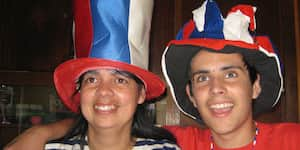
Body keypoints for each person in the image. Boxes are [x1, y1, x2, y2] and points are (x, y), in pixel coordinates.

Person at [4, 0, 300, 150]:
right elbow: (110, 123)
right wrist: (40, 133)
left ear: (255, 85)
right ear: (190, 96)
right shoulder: (178, 143)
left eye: (231, 74)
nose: (216, 89)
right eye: (202, 78)